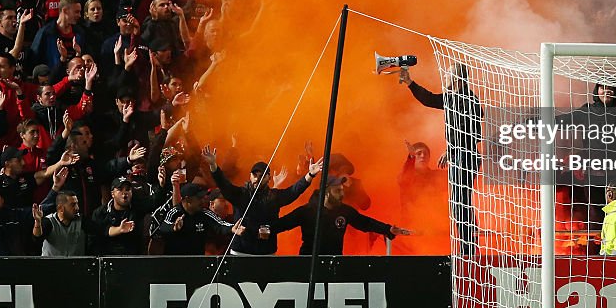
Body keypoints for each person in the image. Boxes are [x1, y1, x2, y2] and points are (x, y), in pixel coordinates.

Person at [399, 62, 481, 254]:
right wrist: (410, 82)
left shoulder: (470, 101)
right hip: (458, 155)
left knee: (461, 200)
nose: (444, 78)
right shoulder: (451, 98)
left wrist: (452, 150)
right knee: (457, 201)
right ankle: (467, 244)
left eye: (448, 75)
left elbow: (474, 133)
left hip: (466, 156)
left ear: (458, 78)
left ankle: (469, 247)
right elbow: (428, 99)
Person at [203, 146, 323, 255]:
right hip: (241, 250)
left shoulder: (274, 196)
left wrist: (310, 175)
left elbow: (294, 191)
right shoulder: (241, 194)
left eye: (262, 176)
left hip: (267, 251)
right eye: (255, 175)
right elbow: (224, 184)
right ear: (250, 176)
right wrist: (213, 166)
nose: (257, 178)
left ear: (268, 178)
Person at [271, 176, 411, 255]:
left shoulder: (344, 211)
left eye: (342, 190)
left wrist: (387, 229)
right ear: (326, 193)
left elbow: (365, 223)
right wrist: (255, 230)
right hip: (309, 262)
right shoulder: (307, 211)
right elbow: (281, 225)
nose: (342, 194)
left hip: (335, 261)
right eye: (338, 190)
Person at [157, 182, 240, 255]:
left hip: (197, 260)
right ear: (188, 200)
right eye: (199, 198)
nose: (203, 200)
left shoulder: (204, 213)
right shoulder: (174, 212)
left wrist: (231, 228)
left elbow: (220, 224)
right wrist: (174, 227)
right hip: (175, 261)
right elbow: (163, 226)